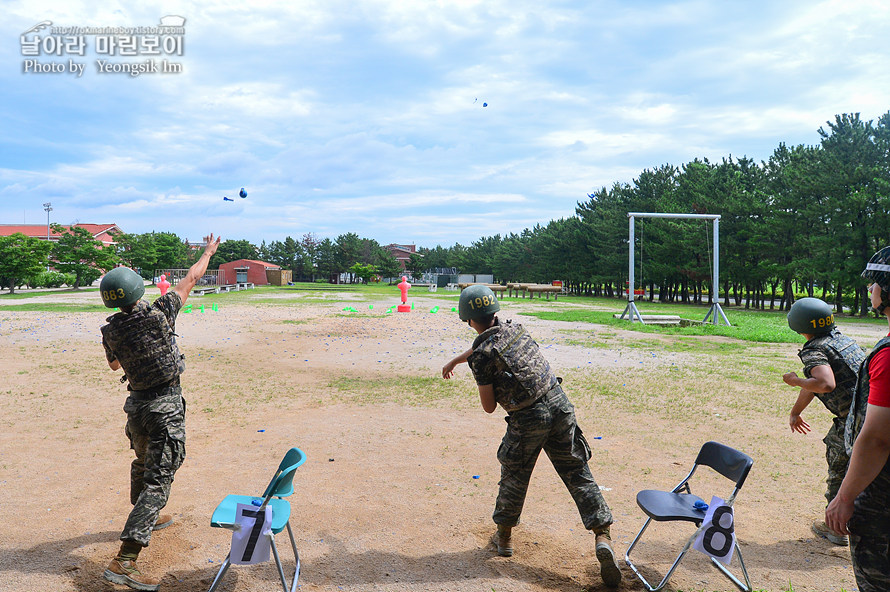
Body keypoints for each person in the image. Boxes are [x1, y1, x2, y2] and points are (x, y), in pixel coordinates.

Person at [441, 285, 622, 588]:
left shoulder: (482, 358)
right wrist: (458, 361)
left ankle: (504, 538)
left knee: (515, 475)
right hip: (559, 403)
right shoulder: (515, 330)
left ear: (468, 320)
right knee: (577, 471)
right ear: (494, 312)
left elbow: (488, 406)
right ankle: (602, 536)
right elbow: (488, 343)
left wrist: (477, 373)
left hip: (528, 418)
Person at [99, 234, 220, 591]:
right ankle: (125, 560)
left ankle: (146, 516)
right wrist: (208, 251)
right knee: (159, 477)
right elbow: (191, 279)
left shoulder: (110, 331)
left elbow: (114, 365)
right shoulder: (160, 312)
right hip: (164, 406)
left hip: (136, 408)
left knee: (144, 462)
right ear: (139, 290)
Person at [826, 246, 890, 592]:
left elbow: (878, 438)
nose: (870, 291)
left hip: (882, 498)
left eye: (875, 284)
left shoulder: (889, 356)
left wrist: (846, 496)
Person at [782, 297, 865, 545]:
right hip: (873, 414)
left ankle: (836, 530)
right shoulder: (841, 339)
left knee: (840, 470)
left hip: (854, 422)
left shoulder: (813, 349)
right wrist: (795, 412)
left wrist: (794, 380)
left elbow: (824, 383)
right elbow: (814, 384)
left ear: (798, 324)